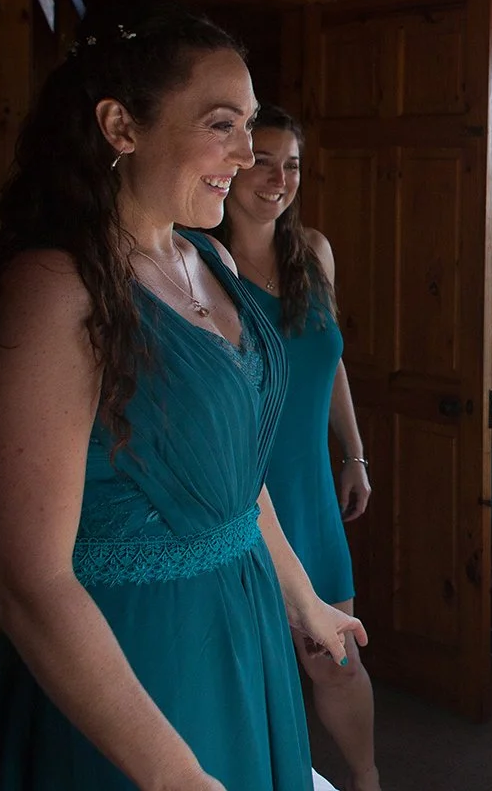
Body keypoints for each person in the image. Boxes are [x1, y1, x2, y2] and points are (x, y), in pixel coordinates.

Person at [0, 0, 366, 790]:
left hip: (241, 623)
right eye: (221, 124)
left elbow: (235, 478)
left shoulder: (214, 264)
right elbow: (23, 580)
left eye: (249, 127)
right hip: (136, 646)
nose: (246, 156)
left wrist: (303, 599)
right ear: (120, 127)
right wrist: (179, 778)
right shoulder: (53, 289)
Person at [211, 105, 380, 791]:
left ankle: (366, 781)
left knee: (336, 656)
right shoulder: (202, 260)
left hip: (309, 483)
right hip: (244, 491)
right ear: (234, 166)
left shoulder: (313, 249)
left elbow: (328, 356)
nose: (278, 178)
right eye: (262, 160)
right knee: (254, 665)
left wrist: (355, 454)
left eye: (292, 165)